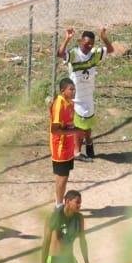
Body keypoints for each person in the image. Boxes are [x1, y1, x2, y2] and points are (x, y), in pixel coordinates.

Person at [58, 27, 115, 162]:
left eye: (91, 44)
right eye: (86, 44)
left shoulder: (95, 53)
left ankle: (89, 145)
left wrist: (104, 37)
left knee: (88, 123)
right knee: (79, 126)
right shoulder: (74, 54)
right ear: (80, 42)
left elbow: (111, 50)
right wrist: (67, 38)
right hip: (76, 97)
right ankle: (76, 152)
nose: (88, 46)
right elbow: (61, 53)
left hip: (88, 95)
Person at [50, 77, 87, 208]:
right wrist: (73, 132)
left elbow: (68, 125)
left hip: (68, 147)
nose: (73, 92)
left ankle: (60, 203)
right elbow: (55, 130)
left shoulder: (70, 102)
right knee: (62, 177)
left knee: (64, 177)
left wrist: (78, 129)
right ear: (62, 91)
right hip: (60, 146)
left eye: (74, 89)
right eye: (71, 89)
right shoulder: (59, 104)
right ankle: (58, 206)